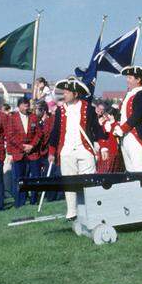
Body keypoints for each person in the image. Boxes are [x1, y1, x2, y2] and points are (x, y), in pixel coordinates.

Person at [47, 77, 107, 219]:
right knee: (69, 182)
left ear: (75, 94)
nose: (64, 94)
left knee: (89, 181)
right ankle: (72, 211)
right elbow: (55, 132)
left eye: (67, 92)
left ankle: (90, 209)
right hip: (67, 150)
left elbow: (97, 128)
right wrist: (51, 152)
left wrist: (103, 147)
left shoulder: (88, 108)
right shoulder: (60, 111)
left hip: (85, 149)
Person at [113, 66, 142, 173]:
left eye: (130, 78)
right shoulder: (130, 93)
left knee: (139, 169)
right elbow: (122, 114)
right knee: (130, 170)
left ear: (138, 79)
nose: (127, 80)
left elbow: (137, 114)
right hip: (125, 136)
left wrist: (123, 129)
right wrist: (117, 125)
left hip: (135, 135)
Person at [5, 97, 41, 208]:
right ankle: (20, 201)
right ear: (19, 106)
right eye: (25, 105)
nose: (27, 108)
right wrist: (22, 147)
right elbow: (10, 135)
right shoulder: (12, 118)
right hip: (18, 153)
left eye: (28, 105)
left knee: (35, 177)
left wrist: (32, 146)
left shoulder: (34, 117)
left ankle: (34, 200)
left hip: (32, 152)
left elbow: (39, 133)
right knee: (20, 178)